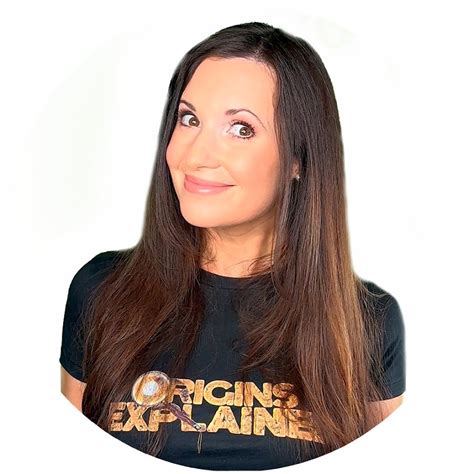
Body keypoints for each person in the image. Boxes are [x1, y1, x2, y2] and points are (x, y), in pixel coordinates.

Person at [59, 21, 406, 470]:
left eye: (241, 128)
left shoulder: (366, 321)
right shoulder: (101, 291)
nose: (194, 155)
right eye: (189, 119)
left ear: (298, 159)